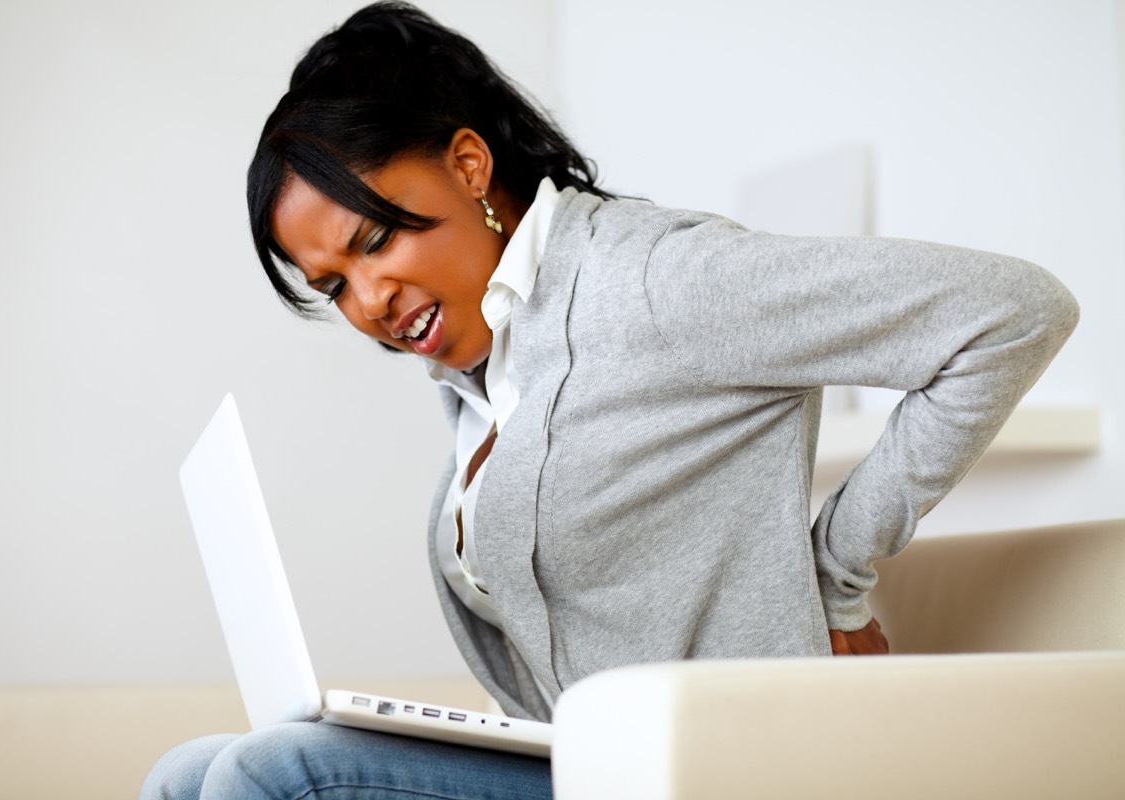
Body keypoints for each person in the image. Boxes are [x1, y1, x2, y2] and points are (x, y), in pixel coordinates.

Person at [142, 2, 1078, 797]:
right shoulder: (487, 361)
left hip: (706, 766)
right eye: (334, 285)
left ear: (469, 166)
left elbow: (1013, 314)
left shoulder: (652, 281)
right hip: (590, 762)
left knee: (272, 777)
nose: (370, 303)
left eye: (376, 238)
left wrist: (833, 575)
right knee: (189, 772)